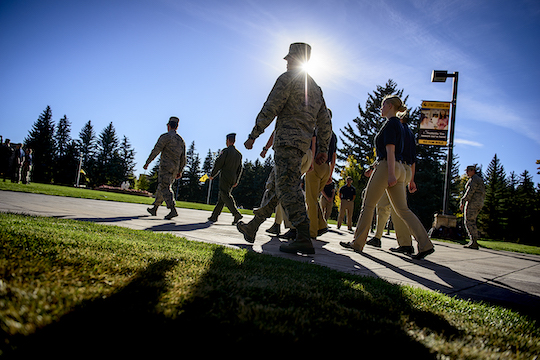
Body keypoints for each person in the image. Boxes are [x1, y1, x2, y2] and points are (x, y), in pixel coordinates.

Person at [236, 42, 332, 255]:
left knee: (287, 188)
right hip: (302, 147)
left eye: (289, 58)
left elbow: (270, 107)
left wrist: (254, 135)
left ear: (296, 59)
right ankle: (253, 226)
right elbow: (325, 122)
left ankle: (304, 235)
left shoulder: (287, 79)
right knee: (279, 187)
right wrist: (323, 148)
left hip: (287, 143)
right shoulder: (316, 88)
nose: (286, 62)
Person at [340, 95, 434, 260]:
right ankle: (425, 244)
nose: (381, 108)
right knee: (403, 210)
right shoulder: (400, 126)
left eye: (383, 105)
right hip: (399, 168)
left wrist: (390, 174)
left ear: (390, 106)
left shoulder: (391, 124)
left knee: (368, 205)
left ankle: (357, 242)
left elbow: (390, 150)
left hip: (388, 167)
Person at [366, 113, 417, 254]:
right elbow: (413, 159)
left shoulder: (397, 128)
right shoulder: (410, 133)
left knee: (386, 206)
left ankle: (381, 238)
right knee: (398, 207)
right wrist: (411, 179)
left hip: (393, 167)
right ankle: (407, 242)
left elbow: (391, 151)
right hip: (405, 170)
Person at [143, 116, 186, 220]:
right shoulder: (181, 140)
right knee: (163, 186)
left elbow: (156, 150)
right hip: (175, 169)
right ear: (177, 126)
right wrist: (180, 170)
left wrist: (148, 162)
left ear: (168, 126)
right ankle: (155, 208)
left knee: (164, 187)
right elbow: (183, 158)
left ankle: (172, 209)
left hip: (166, 166)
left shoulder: (166, 137)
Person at [305, 126, 337, 239]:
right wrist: (330, 173)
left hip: (316, 164)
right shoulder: (333, 135)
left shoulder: (317, 130)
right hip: (326, 168)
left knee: (310, 200)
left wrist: (310, 163)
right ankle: (322, 225)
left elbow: (311, 146)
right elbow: (334, 156)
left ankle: (311, 231)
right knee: (314, 198)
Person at [208, 133, 243, 225]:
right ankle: (214, 216)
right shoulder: (238, 154)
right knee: (222, 197)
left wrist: (212, 174)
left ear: (228, 141)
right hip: (233, 177)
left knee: (225, 195)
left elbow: (219, 163)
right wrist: (236, 180)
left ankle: (236, 213)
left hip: (225, 176)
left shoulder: (226, 151)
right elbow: (240, 169)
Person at [460, 165, 485, 250]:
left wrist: (463, 201)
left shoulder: (474, 180)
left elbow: (470, 191)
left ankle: (473, 241)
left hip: (473, 202)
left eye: (468, 171)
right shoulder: (479, 180)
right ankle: (473, 240)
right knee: (472, 221)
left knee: (469, 221)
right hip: (479, 203)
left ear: (472, 171)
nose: (466, 173)